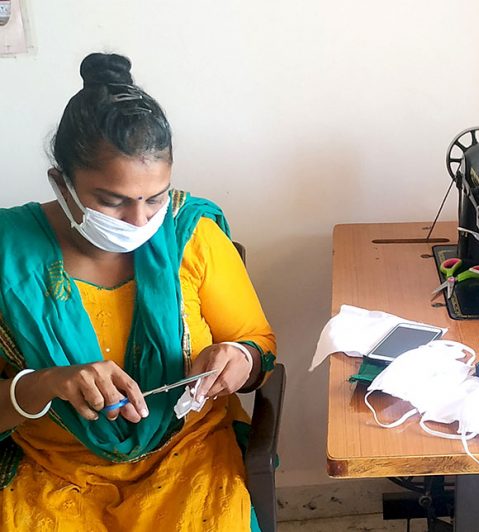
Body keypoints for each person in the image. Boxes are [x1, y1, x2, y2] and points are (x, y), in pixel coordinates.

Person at [0, 52, 276, 531]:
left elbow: (258, 346)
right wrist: (47, 383)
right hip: (53, 469)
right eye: (112, 201)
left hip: (188, 455)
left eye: (155, 196)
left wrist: (239, 360)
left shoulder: (190, 233)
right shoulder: (9, 252)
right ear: (60, 183)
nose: (141, 220)